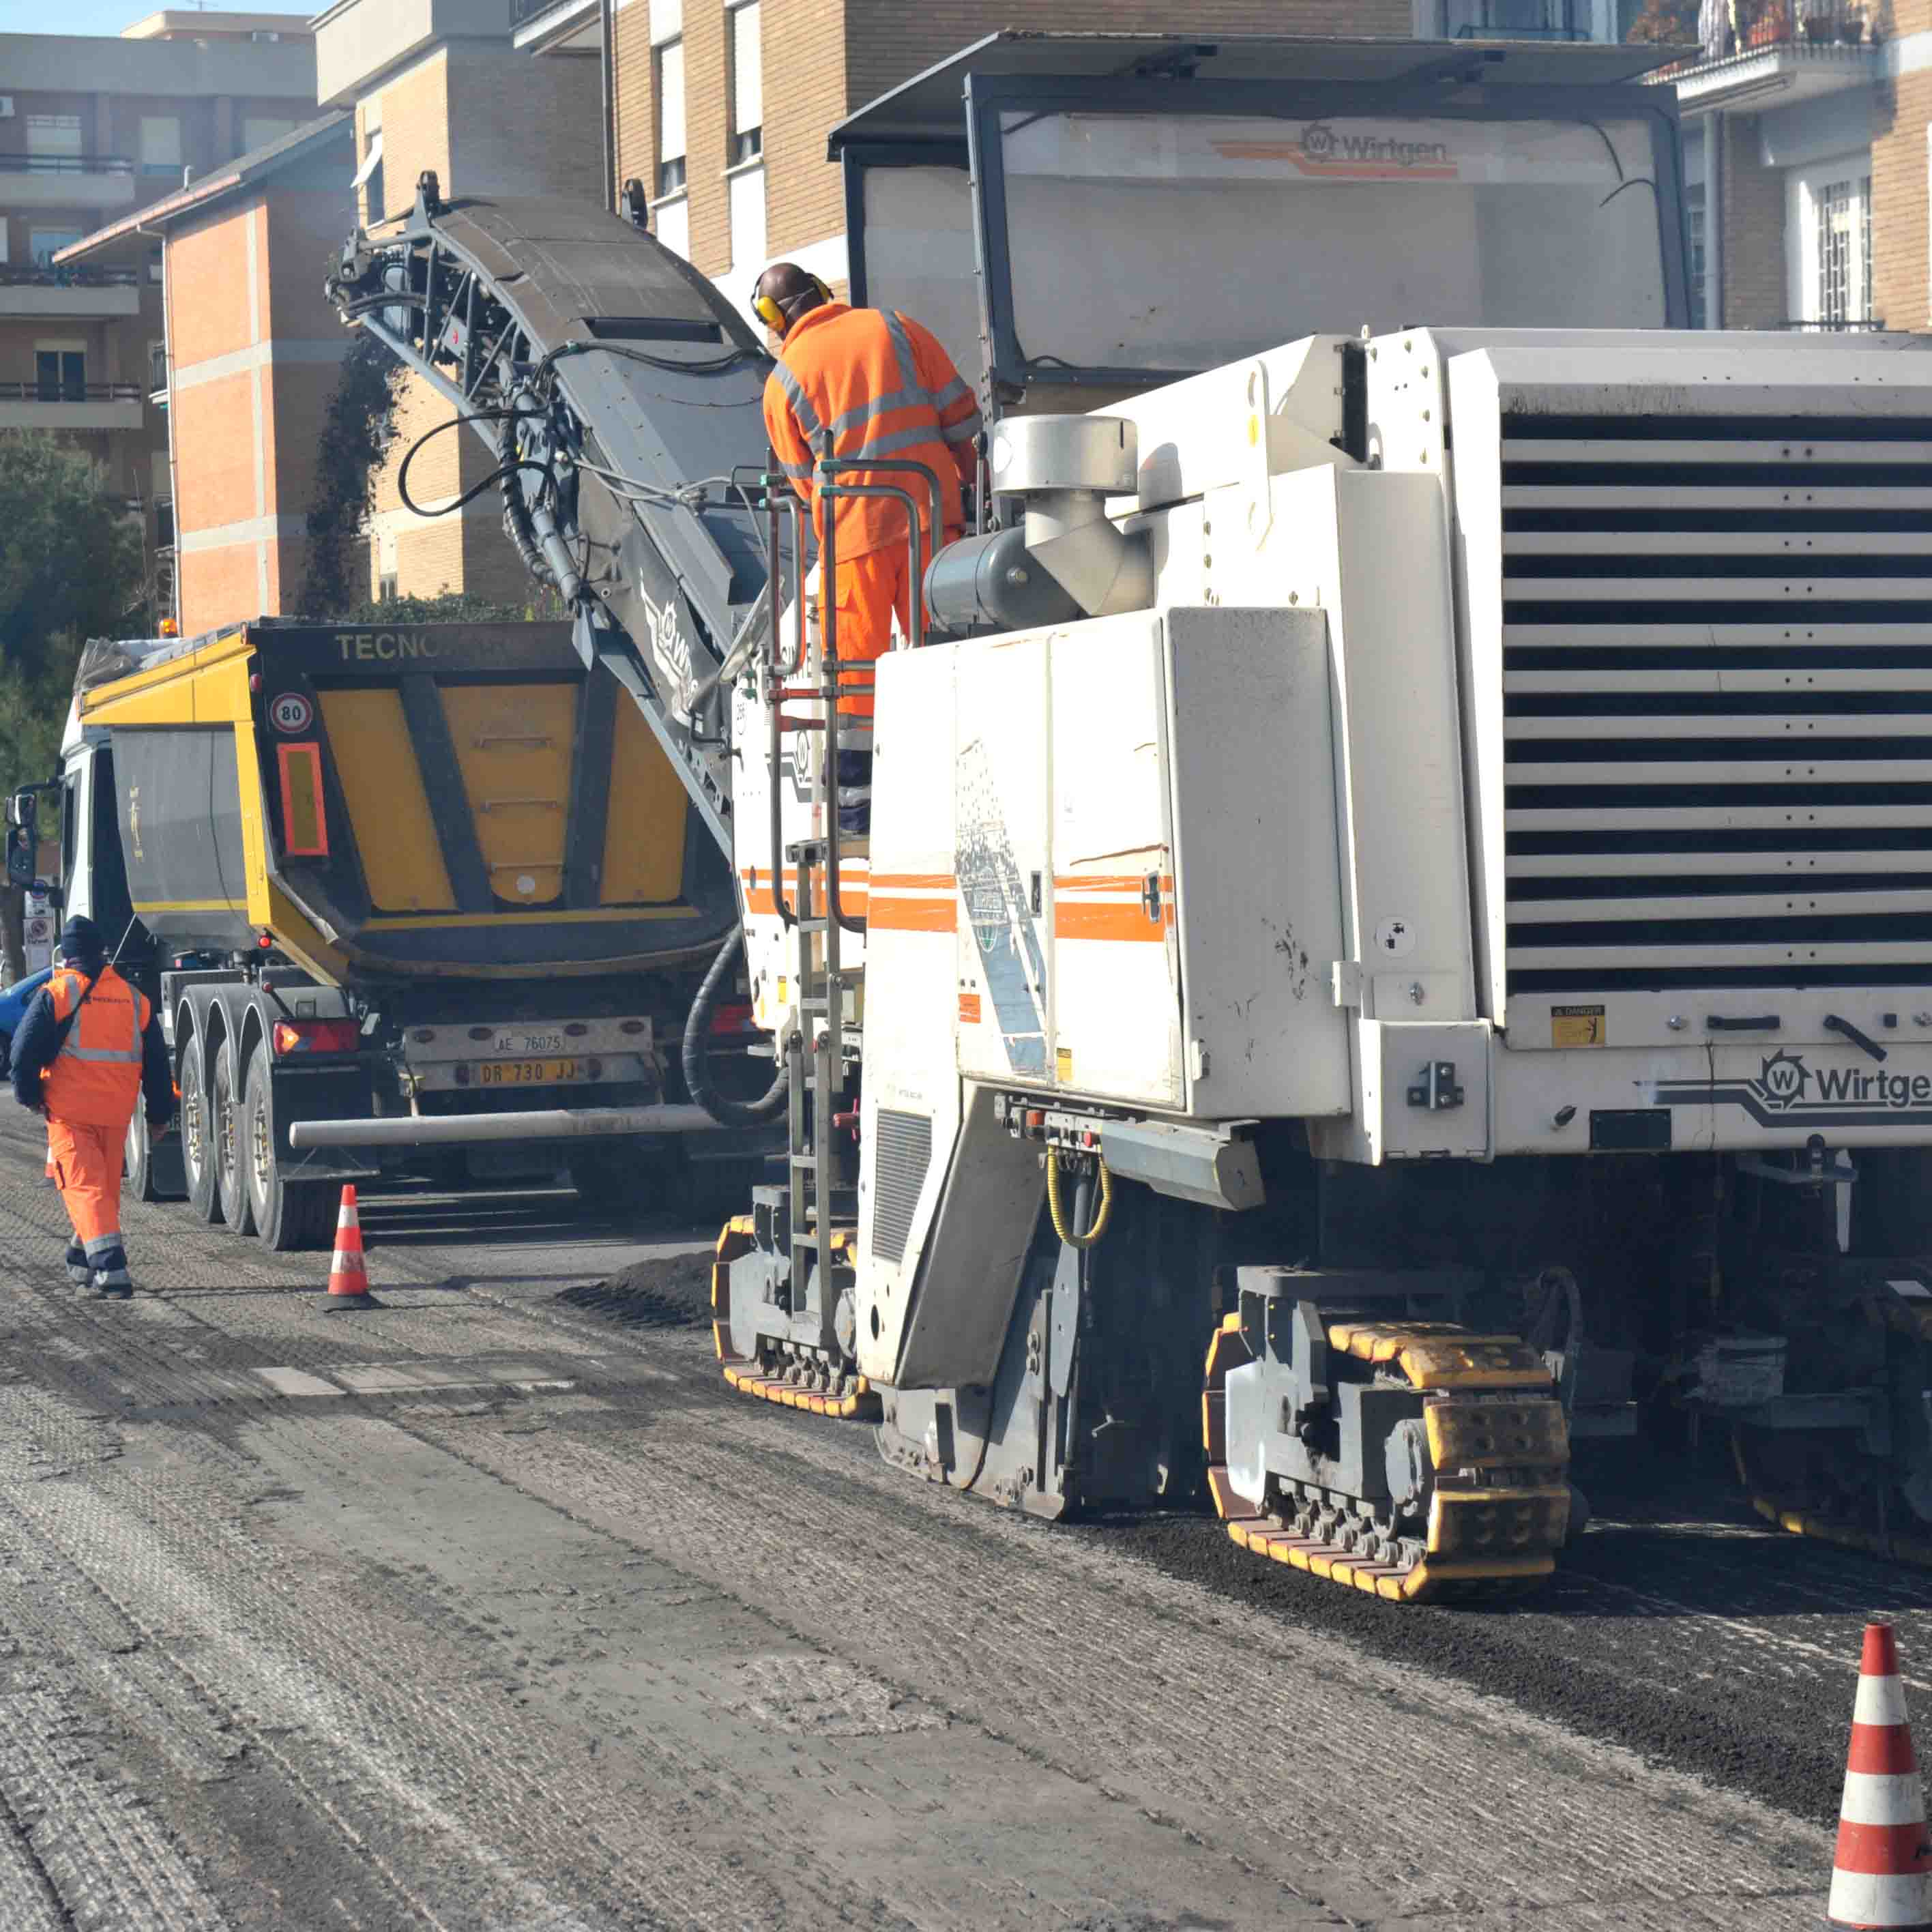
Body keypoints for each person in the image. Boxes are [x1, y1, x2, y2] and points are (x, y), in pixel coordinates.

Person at [755, 263, 980, 832]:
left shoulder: (783, 381)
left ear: (777, 318)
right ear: (823, 292)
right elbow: (964, 421)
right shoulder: (898, 328)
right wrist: (967, 489)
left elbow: (806, 486)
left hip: (855, 542)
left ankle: (857, 812)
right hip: (933, 519)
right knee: (943, 659)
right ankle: (960, 783)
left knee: (853, 677)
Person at [10, 916, 174, 1298]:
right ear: (102, 952)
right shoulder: (135, 1000)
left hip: (70, 1112)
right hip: (117, 1113)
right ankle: (81, 1257)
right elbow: (157, 1064)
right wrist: (160, 1115)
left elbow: (21, 1055)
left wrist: (30, 1096)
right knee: (102, 1190)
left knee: (84, 1188)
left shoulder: (57, 993)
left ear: (66, 956)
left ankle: (111, 1268)